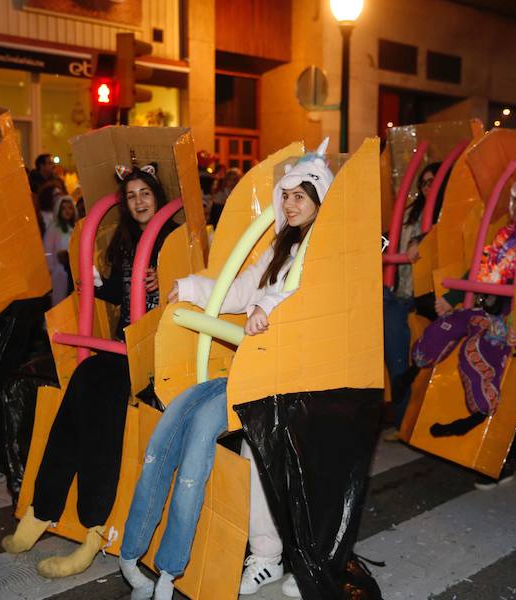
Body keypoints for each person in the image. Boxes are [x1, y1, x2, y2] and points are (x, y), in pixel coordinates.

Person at [118, 141, 334, 600]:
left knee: (288, 470)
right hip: (258, 372)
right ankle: (150, 554)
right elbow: (239, 289)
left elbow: (313, 298)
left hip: (301, 379)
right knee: (191, 428)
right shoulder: (279, 245)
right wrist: (191, 287)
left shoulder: (326, 250)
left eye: (301, 194)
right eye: (287, 194)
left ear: (320, 199)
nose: (291, 203)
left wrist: (270, 308)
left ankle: (300, 560)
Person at [1, 163, 177, 579]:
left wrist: (164, 278)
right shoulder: (129, 239)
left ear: (158, 196)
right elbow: (119, 289)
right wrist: (96, 284)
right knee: (81, 384)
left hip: (158, 352)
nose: (138, 202)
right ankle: (43, 508)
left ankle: (95, 528)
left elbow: (190, 284)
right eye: (131, 195)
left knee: (106, 407)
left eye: (145, 194)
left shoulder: (174, 238)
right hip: (122, 346)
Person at [411, 170, 516, 441]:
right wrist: (451, 298)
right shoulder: (507, 235)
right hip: (484, 307)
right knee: (444, 326)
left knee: (474, 350)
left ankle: (483, 405)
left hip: (511, 316)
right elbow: (479, 270)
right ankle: (423, 357)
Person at [383, 162, 442, 438]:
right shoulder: (409, 212)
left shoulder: (450, 212)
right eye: (424, 182)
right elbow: (392, 241)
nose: (428, 187)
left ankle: (406, 417)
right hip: (401, 290)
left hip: (430, 297)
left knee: (405, 353)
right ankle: (400, 414)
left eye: (434, 181)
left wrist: (425, 239)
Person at [43, 195, 78, 306]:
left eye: (70, 208)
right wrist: (51, 270)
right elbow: (47, 251)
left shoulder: (75, 227)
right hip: (59, 274)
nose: (67, 211)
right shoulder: (54, 228)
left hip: (73, 272)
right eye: (64, 208)